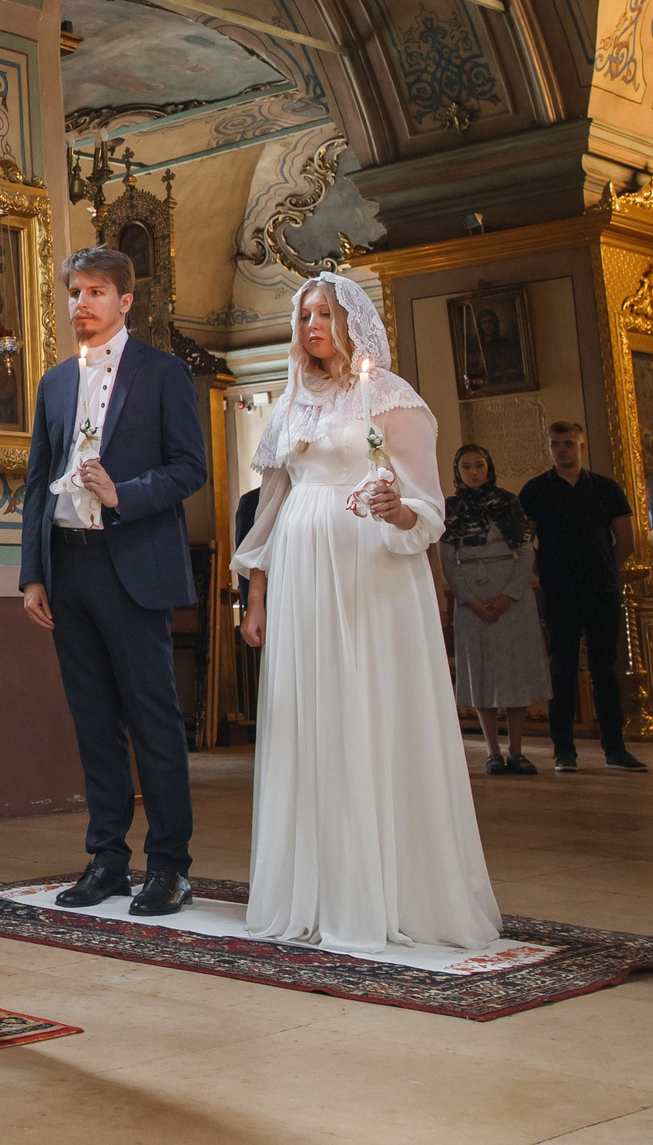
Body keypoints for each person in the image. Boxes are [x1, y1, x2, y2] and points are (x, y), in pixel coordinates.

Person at [233, 273, 500, 953]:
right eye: (303, 315)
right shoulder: (291, 403)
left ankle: (387, 889)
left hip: (371, 576)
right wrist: (254, 595)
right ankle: (317, 891)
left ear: (352, 322)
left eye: (324, 313)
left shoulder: (390, 397)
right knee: (310, 718)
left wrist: (397, 509)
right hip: (300, 579)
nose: (312, 325)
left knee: (367, 711)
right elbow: (267, 511)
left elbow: (427, 507)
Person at [18, 246, 209, 917]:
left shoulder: (163, 373)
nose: (83, 303)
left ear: (125, 300)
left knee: (153, 721)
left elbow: (191, 468)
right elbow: (38, 481)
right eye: (75, 291)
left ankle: (170, 865)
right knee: (94, 721)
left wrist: (123, 491)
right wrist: (33, 574)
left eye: (96, 291)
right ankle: (107, 857)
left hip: (134, 566)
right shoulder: (54, 383)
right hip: (67, 566)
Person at [519, 421, 646, 773]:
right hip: (558, 590)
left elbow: (627, 539)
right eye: (555, 444)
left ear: (582, 447)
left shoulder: (606, 488)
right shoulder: (535, 490)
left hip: (602, 589)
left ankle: (615, 749)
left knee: (605, 668)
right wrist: (544, 574)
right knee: (562, 668)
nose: (561, 450)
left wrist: (606, 570)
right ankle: (563, 751)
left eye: (568, 444)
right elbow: (524, 541)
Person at [439, 445, 550, 776]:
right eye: (466, 466)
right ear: (457, 471)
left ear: (490, 467)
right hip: (471, 598)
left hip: (511, 596)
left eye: (479, 465)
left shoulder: (509, 502)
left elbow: (525, 551)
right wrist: (470, 598)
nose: (474, 472)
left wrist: (509, 594)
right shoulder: (451, 507)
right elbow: (447, 558)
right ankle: (492, 752)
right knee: (482, 672)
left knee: (515, 672)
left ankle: (517, 751)